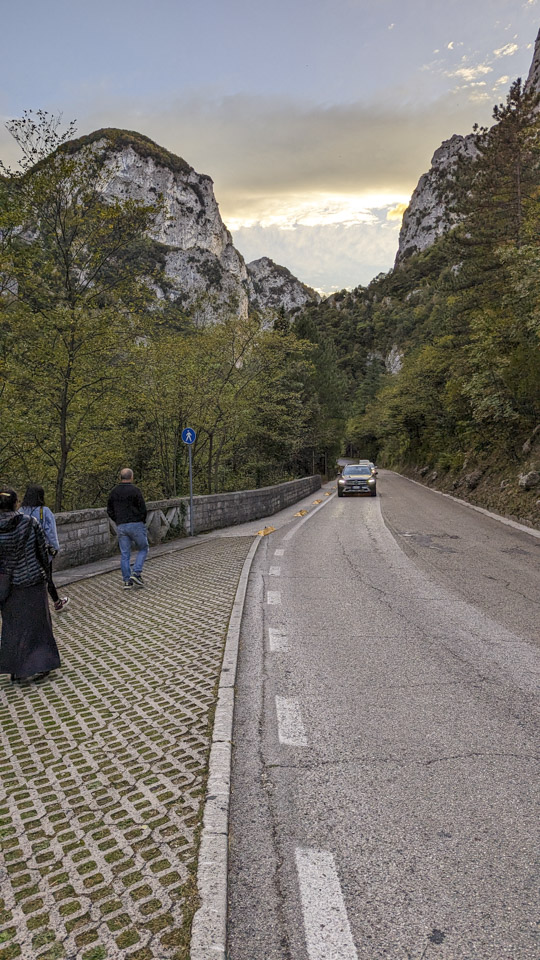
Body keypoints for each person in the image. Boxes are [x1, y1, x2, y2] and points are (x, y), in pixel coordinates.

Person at [0, 486, 61, 682]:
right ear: (16, 503)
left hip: (7, 585)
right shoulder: (29, 522)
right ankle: (41, 665)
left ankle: (16, 668)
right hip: (31, 580)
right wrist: (47, 573)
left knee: (12, 626)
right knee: (38, 625)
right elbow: (41, 550)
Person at [20, 484, 69, 612]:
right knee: (47, 578)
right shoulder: (44, 511)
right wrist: (55, 548)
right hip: (41, 552)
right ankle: (57, 603)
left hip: (25, 552)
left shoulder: (21, 511)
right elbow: (51, 533)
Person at [107, 468, 148, 589]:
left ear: (121, 477)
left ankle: (126, 581)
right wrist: (142, 520)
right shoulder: (135, 491)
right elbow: (143, 508)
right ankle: (136, 572)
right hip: (136, 524)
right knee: (143, 548)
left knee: (125, 554)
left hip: (121, 525)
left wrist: (117, 520)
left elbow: (109, 509)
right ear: (131, 477)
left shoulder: (114, 492)